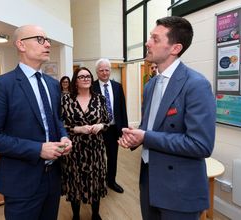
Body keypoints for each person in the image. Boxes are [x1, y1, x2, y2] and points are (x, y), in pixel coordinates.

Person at [118, 16, 216, 220]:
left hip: (179, 190)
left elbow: (200, 144)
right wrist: (135, 137)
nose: (147, 42)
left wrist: (145, 136)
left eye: (155, 38)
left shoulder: (196, 85)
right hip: (149, 180)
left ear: (175, 48)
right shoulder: (151, 85)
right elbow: (150, 126)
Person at [0, 25, 72, 220]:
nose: (47, 44)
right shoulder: (2, 85)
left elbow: (57, 120)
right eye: (40, 39)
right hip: (21, 183)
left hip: (53, 178)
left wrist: (64, 135)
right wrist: (38, 149)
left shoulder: (52, 84)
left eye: (48, 40)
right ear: (21, 44)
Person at [61, 67, 110, 220]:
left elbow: (107, 121)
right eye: (81, 77)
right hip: (74, 148)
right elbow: (60, 123)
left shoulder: (100, 99)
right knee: (75, 181)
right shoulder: (66, 99)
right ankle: (76, 215)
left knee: (95, 181)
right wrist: (77, 128)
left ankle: (95, 214)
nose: (86, 79)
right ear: (75, 81)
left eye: (88, 76)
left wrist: (101, 126)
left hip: (95, 148)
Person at [93, 58, 128, 194]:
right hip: (97, 130)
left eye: (106, 70)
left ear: (110, 70)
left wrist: (124, 130)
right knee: (97, 157)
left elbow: (122, 109)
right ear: (97, 72)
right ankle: (97, 182)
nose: (104, 73)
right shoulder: (92, 87)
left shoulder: (117, 86)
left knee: (112, 157)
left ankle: (111, 181)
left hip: (113, 129)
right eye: (101, 70)